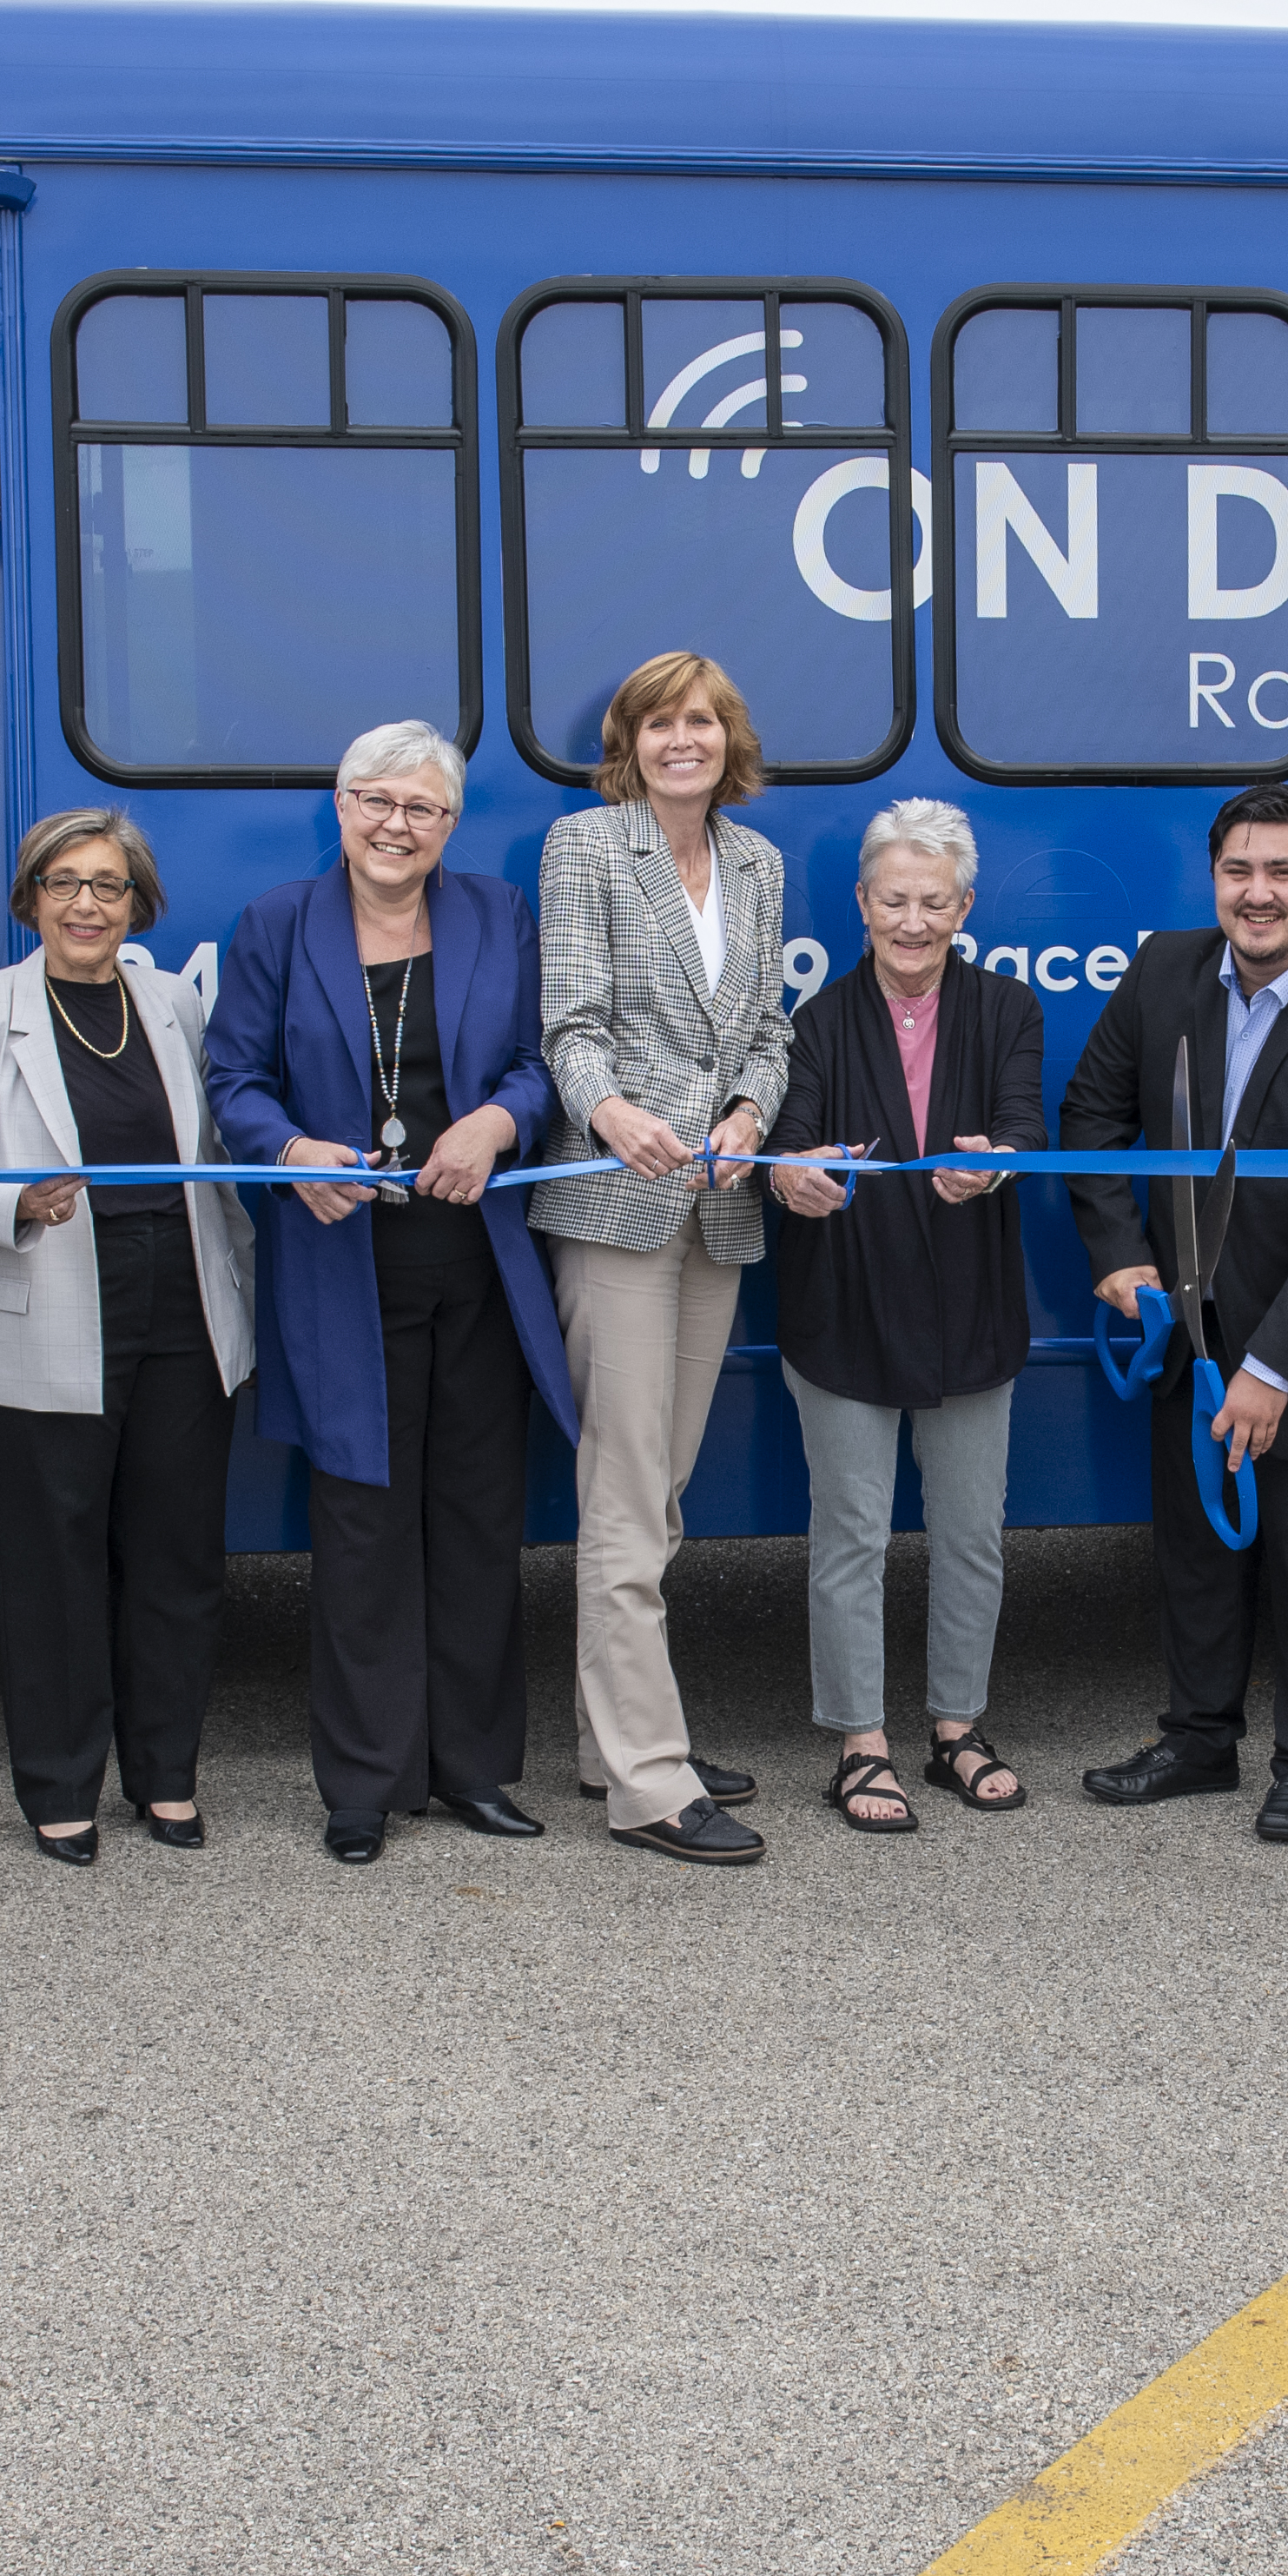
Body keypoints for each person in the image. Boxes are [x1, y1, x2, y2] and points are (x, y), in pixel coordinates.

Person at [211, 721, 583, 1868]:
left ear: (450, 826)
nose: (395, 826)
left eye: (421, 808)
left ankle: (472, 1770)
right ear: (341, 804)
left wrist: (496, 1120)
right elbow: (234, 1077)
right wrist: (286, 1155)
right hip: (342, 1271)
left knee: (478, 1523)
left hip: (475, 1267)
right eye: (376, 800)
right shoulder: (278, 922)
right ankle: (365, 1784)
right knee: (364, 1531)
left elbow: (534, 1064)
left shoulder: (492, 914)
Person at [1060, 784, 1288, 1844]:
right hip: (1181, 1334)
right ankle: (1200, 1740)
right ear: (1212, 876)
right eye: (1237, 871)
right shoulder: (1163, 969)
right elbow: (1090, 1114)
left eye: (1281, 873)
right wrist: (1121, 1255)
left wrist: (1270, 1369)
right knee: (1193, 1549)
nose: (1256, 894)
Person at [0, 811, 254, 1865]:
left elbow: (215, 1153)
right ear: (30, 899)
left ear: (138, 904)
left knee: (175, 1557)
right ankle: (61, 1787)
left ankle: (165, 1776)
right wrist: (15, 1205)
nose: (86, 905)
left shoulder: (171, 1005)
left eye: (108, 886)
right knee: (52, 1564)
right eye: (64, 883)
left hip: (181, 1309)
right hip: (46, 1301)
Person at [529, 652, 787, 1869]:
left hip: (719, 1208)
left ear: (727, 740)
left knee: (660, 1489)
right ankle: (646, 1779)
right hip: (618, 1204)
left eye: (701, 721)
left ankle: (611, 1737)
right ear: (626, 741)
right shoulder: (586, 849)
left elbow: (773, 1031)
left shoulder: (757, 863)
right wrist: (609, 1114)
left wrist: (747, 1113)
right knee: (627, 1494)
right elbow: (569, 1022)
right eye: (657, 723)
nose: (680, 740)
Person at [764, 798, 1049, 1834]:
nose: (914, 920)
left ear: (965, 905)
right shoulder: (814, 1022)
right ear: (862, 903)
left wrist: (994, 1164)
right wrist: (793, 1179)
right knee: (850, 1536)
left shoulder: (1009, 1011)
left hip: (970, 1309)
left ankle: (956, 1730)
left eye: (935, 901)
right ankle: (859, 1743)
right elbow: (786, 1142)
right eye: (895, 899)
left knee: (972, 1535)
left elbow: (1022, 1124)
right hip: (843, 1309)